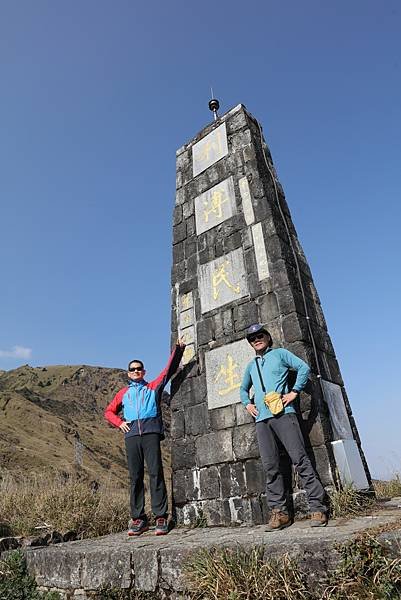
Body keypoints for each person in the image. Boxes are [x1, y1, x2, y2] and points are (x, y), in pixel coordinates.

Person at [240, 323, 328, 531]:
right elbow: (243, 389)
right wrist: (248, 404)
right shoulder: (251, 365)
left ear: (268, 338)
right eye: (252, 339)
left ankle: (318, 507)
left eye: (260, 336)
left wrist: (294, 392)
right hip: (262, 420)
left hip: (284, 414)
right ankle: (279, 513)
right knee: (271, 467)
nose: (256, 340)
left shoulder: (280, 354)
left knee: (300, 459)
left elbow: (303, 368)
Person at [104, 339, 185, 536]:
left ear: (144, 372)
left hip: (150, 433)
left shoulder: (153, 387)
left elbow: (168, 370)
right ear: (128, 373)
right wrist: (120, 423)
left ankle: (160, 516)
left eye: (139, 369)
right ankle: (139, 519)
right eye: (132, 369)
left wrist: (178, 349)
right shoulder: (123, 393)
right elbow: (108, 412)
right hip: (131, 436)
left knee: (156, 473)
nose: (136, 371)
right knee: (135, 476)